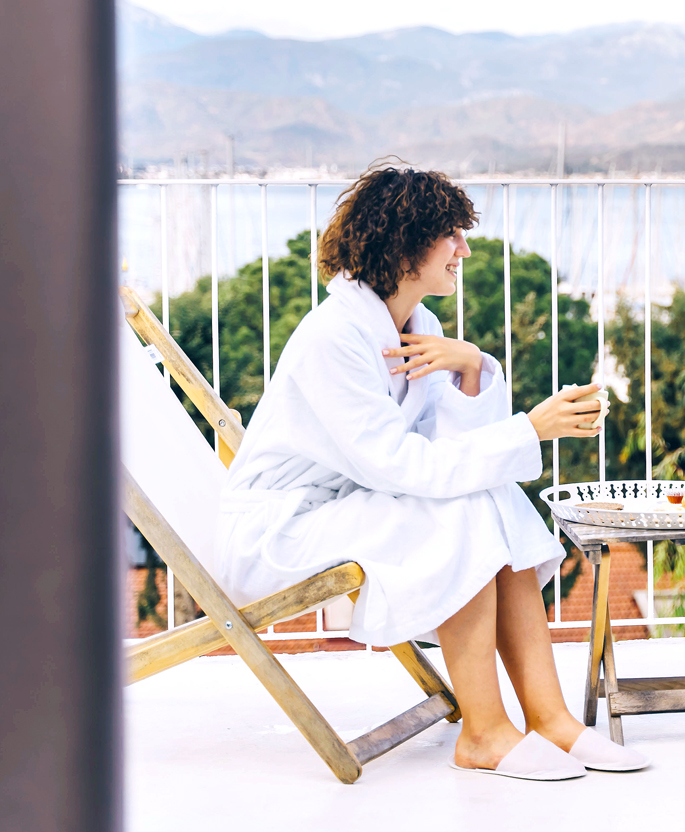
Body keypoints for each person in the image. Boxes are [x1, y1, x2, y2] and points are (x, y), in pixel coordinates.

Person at [218, 162, 648, 779]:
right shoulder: (334, 337)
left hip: (351, 505)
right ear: (407, 243)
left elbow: (451, 452)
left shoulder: (419, 328)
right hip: (282, 530)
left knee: (486, 494)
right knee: (463, 504)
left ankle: (551, 719)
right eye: (452, 235)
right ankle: (485, 732)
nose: (465, 250)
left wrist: (471, 366)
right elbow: (397, 465)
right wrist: (531, 427)